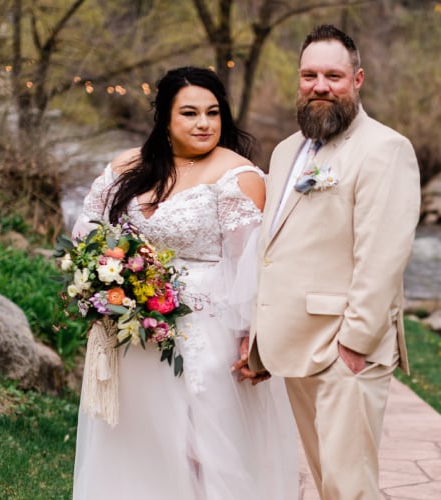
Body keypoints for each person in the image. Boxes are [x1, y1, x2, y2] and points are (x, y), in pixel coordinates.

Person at [71, 66, 298, 499]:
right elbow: (86, 234)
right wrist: (109, 280)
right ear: (165, 119)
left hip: (207, 334)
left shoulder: (238, 175)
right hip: (133, 335)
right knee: (139, 444)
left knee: (201, 450)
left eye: (213, 113)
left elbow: (253, 264)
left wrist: (255, 338)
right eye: (190, 113)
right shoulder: (127, 167)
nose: (204, 123)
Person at [240, 24, 421, 499]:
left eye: (333, 76)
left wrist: (356, 344)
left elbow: (383, 254)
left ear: (357, 80)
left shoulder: (385, 149)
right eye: (309, 75)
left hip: (346, 348)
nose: (320, 86)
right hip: (297, 345)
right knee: (327, 483)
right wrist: (261, 340)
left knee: (350, 487)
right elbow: (274, 248)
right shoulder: (284, 152)